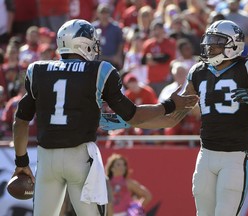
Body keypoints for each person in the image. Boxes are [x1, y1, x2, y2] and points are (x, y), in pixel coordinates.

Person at [10, 19, 198, 216]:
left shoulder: (38, 70)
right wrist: (169, 105)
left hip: (47, 159)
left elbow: (20, 121)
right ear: (82, 43)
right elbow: (134, 115)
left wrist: (21, 162)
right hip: (80, 157)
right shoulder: (99, 71)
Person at [133, 20, 248, 216]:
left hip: (236, 156)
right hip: (206, 154)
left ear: (233, 45)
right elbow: (171, 118)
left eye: (217, 41)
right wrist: (132, 119)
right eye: (209, 40)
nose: (210, 46)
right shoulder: (198, 71)